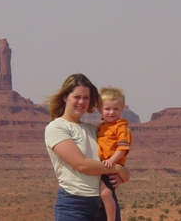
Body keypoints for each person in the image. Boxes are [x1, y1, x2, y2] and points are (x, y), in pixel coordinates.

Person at [45, 73, 129, 221]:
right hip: (75, 206)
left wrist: (123, 176)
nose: (81, 102)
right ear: (65, 97)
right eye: (77, 97)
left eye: (86, 97)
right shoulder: (57, 128)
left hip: (105, 203)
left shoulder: (92, 129)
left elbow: (109, 159)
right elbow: (82, 165)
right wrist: (118, 169)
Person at [97, 86, 132, 221]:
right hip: (102, 166)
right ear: (99, 110)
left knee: (106, 194)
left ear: (122, 110)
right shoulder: (101, 127)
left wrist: (112, 161)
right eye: (107, 109)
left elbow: (123, 149)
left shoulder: (121, 128)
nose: (112, 112)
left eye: (116, 109)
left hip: (110, 167)